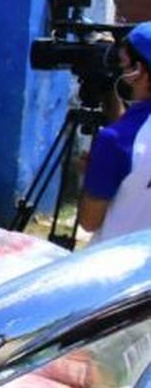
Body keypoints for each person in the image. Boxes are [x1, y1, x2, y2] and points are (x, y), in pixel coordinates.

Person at [78, 22, 151, 245]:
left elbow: (89, 222)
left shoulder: (116, 140)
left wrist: (87, 177)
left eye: (123, 64)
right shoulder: (125, 137)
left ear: (138, 71)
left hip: (119, 269)